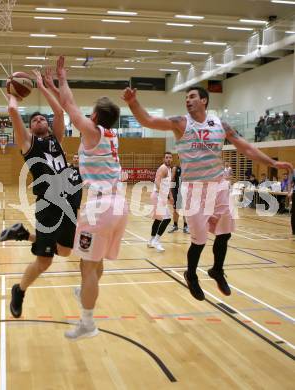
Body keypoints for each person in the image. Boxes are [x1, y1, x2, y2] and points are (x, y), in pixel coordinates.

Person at [122, 85, 293, 301]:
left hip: (218, 185)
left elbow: (246, 148)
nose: (188, 100)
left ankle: (217, 270)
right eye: (186, 97)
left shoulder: (220, 124)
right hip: (194, 188)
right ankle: (191, 274)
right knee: (199, 240)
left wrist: (272, 163)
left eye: (192, 97)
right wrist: (133, 103)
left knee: (225, 233)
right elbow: (148, 121)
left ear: (204, 101)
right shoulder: (181, 123)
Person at [56, 55, 128, 339]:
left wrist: (62, 78)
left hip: (100, 206)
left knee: (86, 265)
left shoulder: (93, 131)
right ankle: (87, 291)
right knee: (95, 263)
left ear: (95, 117)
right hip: (119, 205)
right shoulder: (112, 135)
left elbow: (69, 106)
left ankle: (87, 323)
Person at [0, 68, 79, 318]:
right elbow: (13, 111)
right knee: (45, 262)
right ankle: (19, 290)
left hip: (69, 199)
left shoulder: (57, 139)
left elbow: (59, 111)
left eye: (40, 119)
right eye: (33, 120)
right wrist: (12, 92)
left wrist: (43, 86)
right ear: (30, 128)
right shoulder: (29, 144)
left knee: (65, 251)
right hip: (48, 204)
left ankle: (24, 235)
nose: (38, 121)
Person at [148, 152, 173, 252]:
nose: (168, 159)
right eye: (166, 158)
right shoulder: (163, 168)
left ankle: (151, 240)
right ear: (163, 159)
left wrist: (170, 196)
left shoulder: (169, 169)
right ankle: (156, 241)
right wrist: (165, 194)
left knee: (158, 220)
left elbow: (168, 185)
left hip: (160, 196)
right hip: (158, 196)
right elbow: (157, 181)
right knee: (167, 219)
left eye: (170, 157)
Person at [168, 161, 189, 234]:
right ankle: (175, 225)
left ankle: (186, 227)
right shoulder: (175, 168)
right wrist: (170, 193)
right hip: (177, 191)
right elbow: (171, 181)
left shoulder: (188, 169)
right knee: (176, 210)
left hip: (185, 191)